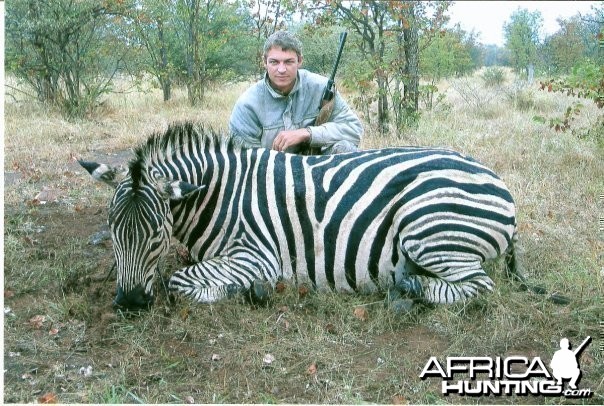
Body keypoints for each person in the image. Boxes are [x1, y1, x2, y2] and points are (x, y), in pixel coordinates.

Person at [229, 31, 363, 155]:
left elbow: (354, 130)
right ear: (265, 62)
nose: (281, 69)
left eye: (288, 62)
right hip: (270, 173)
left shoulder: (321, 88)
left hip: (318, 170)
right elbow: (246, 161)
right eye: (274, 62)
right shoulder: (247, 105)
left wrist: (307, 133)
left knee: (346, 148)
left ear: (299, 61)